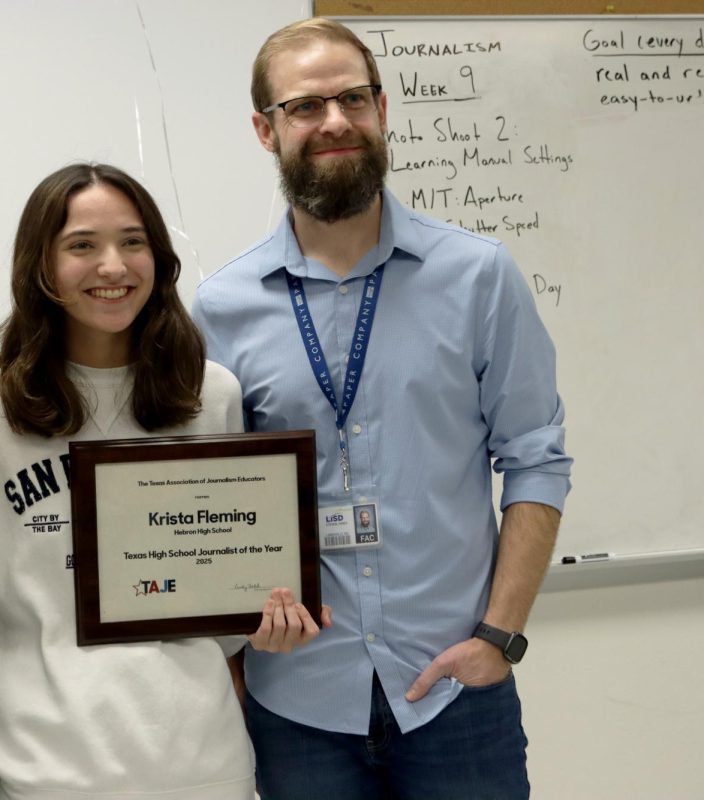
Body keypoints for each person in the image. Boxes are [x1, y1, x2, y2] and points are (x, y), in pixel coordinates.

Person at [192, 18, 573, 800]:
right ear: (265, 129)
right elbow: (210, 499)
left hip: (453, 694)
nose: (334, 121)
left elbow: (536, 456)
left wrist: (497, 638)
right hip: (297, 703)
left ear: (382, 110)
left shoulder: (478, 277)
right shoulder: (217, 311)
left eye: (352, 99)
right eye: (305, 107)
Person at [0, 162, 329, 800]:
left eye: (133, 242)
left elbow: (223, 602)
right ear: (41, 265)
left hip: (202, 763)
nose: (114, 266)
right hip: (44, 772)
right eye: (83, 245)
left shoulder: (210, 394)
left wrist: (266, 620)